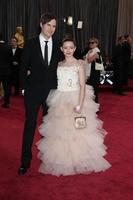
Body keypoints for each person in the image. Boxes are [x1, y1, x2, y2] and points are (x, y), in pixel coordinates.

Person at [36, 37, 111, 176]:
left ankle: (81, 159)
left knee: (80, 130)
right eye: (66, 47)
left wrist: (80, 104)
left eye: (71, 47)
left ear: (75, 49)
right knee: (61, 131)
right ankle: (64, 159)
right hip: (60, 100)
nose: (68, 50)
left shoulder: (79, 64)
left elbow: (83, 86)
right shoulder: (58, 65)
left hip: (77, 99)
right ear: (61, 49)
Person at [18, 13, 61, 175]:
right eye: (49, 25)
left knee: (49, 128)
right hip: (32, 92)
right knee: (30, 126)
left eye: (54, 26)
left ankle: (47, 158)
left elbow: (66, 61)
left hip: (51, 93)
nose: (51, 29)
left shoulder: (58, 44)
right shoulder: (29, 44)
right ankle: (25, 161)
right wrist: (23, 88)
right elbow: (23, 68)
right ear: (41, 25)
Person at [82, 37, 102, 103]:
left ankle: (95, 106)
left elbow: (89, 60)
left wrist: (87, 56)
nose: (90, 44)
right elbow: (84, 58)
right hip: (89, 74)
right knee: (89, 90)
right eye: (89, 43)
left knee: (94, 91)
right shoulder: (90, 51)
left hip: (94, 74)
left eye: (92, 43)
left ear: (96, 43)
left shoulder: (97, 52)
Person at [0, 33, 12, 108]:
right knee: (6, 87)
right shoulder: (8, 47)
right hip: (7, 71)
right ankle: (7, 103)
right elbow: (11, 59)